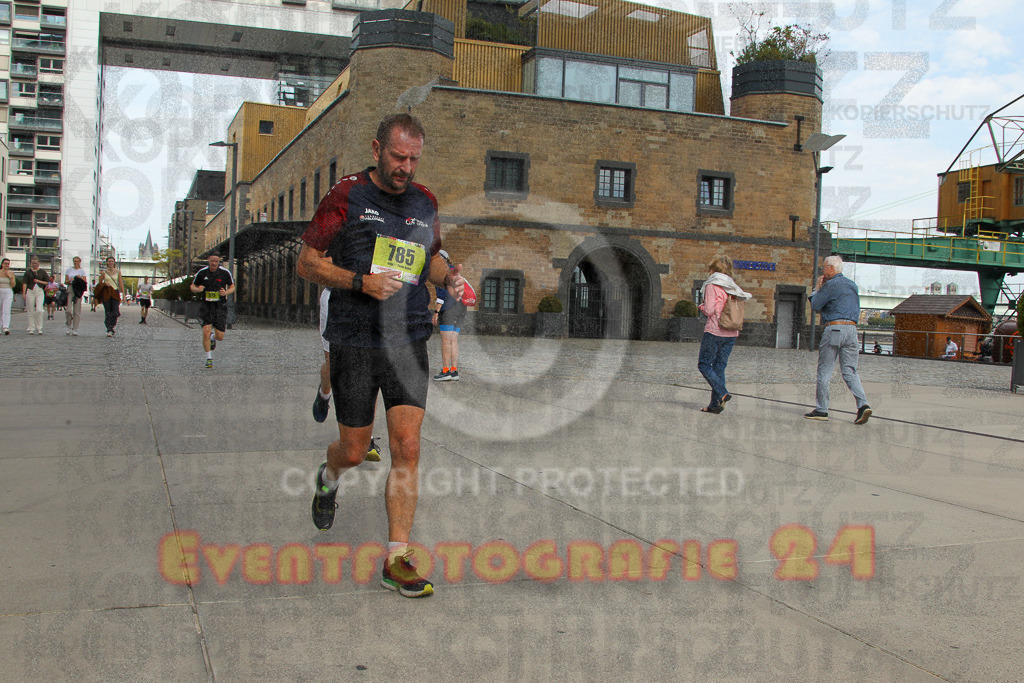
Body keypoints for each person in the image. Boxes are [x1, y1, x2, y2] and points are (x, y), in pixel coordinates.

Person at [296, 113, 465, 599]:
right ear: (376, 149)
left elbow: (431, 257)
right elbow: (307, 263)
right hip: (354, 336)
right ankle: (328, 479)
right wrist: (358, 282)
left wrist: (447, 274)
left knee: (407, 446)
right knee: (353, 450)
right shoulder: (346, 196)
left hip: (408, 336)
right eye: (397, 157)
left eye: (414, 159)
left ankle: (397, 557)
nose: (405, 168)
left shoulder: (424, 200)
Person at [312, 283, 382, 461]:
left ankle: (366, 438)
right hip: (338, 300)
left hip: (371, 300)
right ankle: (324, 393)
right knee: (334, 366)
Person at [805, 255, 871, 424]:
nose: (822, 271)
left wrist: (817, 288)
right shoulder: (852, 285)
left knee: (825, 370)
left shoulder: (831, 284)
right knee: (850, 370)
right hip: (852, 330)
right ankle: (863, 404)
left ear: (831, 269)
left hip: (835, 328)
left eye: (824, 268)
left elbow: (815, 305)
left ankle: (822, 409)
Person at [696, 255, 751, 414]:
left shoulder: (712, 284)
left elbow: (710, 309)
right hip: (731, 332)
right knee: (719, 367)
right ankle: (715, 405)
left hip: (715, 330)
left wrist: (701, 307)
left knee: (704, 364)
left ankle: (722, 392)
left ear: (714, 270)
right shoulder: (732, 286)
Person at [189, 253, 235, 369]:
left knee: (220, 336)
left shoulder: (225, 272)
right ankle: (208, 358)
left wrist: (226, 293)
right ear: (208, 261)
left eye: (216, 261)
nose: (214, 263)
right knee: (205, 331)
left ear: (219, 261)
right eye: (211, 261)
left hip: (220, 306)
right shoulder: (202, 272)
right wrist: (198, 289)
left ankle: (212, 337)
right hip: (207, 306)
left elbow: (232, 287)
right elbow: (192, 286)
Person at [431, 250, 467, 381]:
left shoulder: (443, 273)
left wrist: (436, 312)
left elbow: (442, 295)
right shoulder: (455, 271)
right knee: (453, 340)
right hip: (461, 309)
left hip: (449, 309)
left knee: (446, 340)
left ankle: (445, 371)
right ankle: (454, 370)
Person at [96, 256, 124, 337]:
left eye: (112, 261)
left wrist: (123, 294)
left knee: (115, 312)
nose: (111, 263)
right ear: (107, 263)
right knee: (108, 311)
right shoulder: (104, 272)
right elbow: (99, 283)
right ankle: (109, 328)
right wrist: (104, 284)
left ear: (114, 262)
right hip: (107, 292)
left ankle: (112, 325)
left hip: (115, 292)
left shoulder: (118, 272)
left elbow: (120, 282)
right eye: (109, 261)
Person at [22, 256, 48, 334]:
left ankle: (39, 327)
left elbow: (47, 282)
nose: (34, 265)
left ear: (38, 263)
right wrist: (24, 293)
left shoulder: (42, 272)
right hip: (30, 290)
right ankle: (31, 328)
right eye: (33, 263)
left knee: (39, 310)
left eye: (36, 263)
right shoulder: (28, 272)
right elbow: (25, 283)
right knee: (30, 310)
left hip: (39, 291)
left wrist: (39, 281)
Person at [64, 256, 88, 336]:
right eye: (75, 261)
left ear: (80, 262)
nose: (76, 262)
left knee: (76, 311)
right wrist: (71, 279)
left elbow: (85, 282)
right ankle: (68, 324)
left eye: (77, 261)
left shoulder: (82, 271)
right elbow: (66, 281)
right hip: (71, 288)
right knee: (68, 309)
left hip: (78, 290)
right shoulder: (69, 270)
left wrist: (80, 277)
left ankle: (75, 328)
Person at [0, 258, 15, 335]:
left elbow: (13, 285)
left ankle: (6, 327)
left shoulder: (11, 273)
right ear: (2, 264)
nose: (6, 265)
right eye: (5, 263)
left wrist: (9, 277)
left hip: (8, 291)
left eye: (8, 264)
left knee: (6, 310)